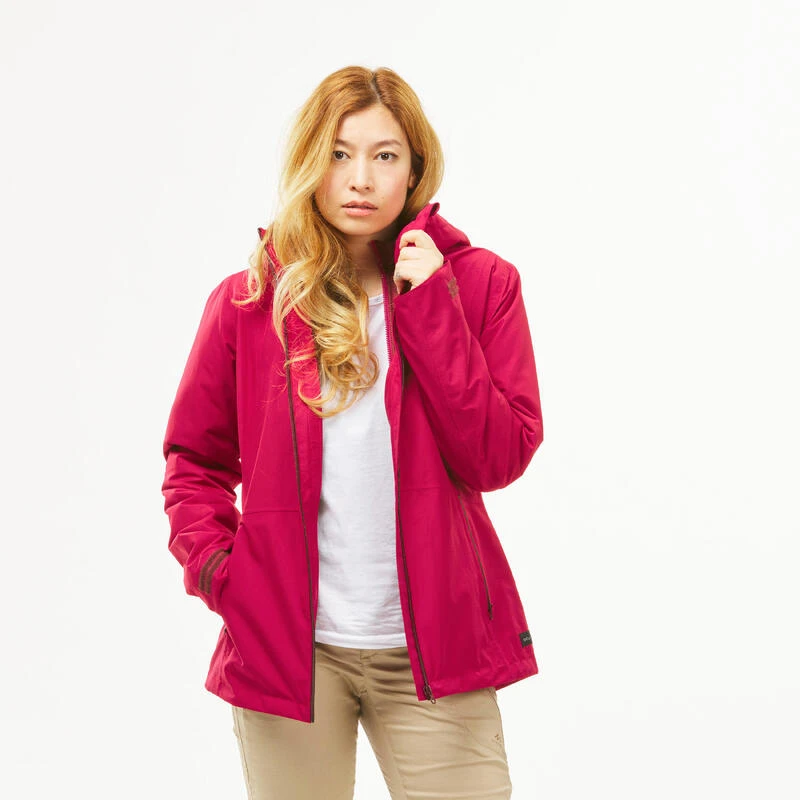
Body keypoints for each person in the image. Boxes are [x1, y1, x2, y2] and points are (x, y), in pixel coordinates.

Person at [161, 65, 544, 800]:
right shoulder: (249, 300)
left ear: (415, 169)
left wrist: (432, 306)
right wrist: (225, 576)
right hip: (289, 652)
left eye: (384, 155)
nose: (360, 178)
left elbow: (496, 459)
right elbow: (194, 461)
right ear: (311, 161)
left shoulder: (480, 286)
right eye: (339, 154)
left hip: (437, 650)